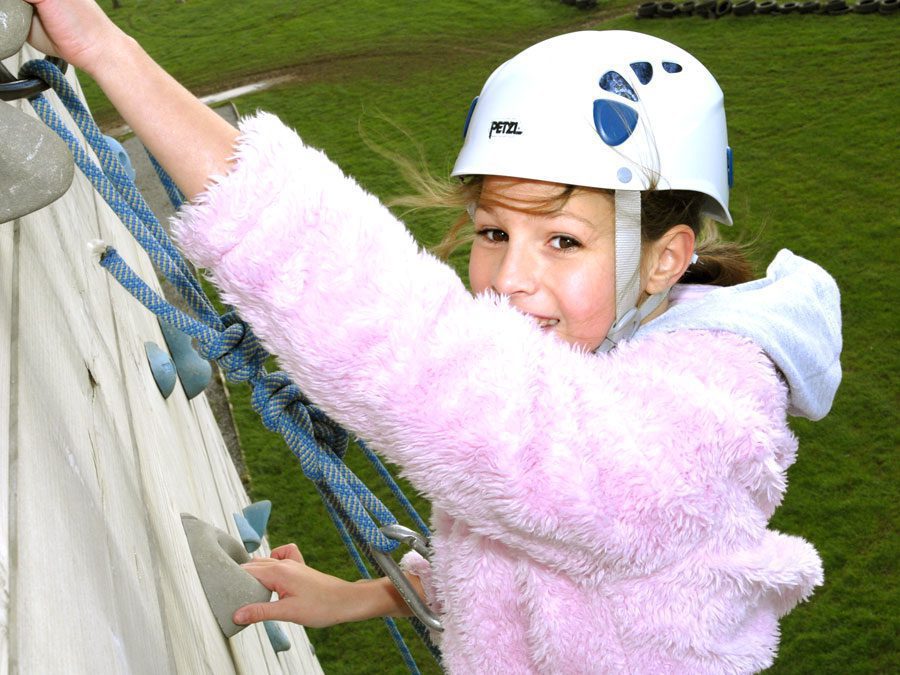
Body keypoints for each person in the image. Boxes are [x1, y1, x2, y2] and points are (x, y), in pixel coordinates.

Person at [26, 2, 842, 672]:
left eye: (563, 241)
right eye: (493, 232)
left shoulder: (693, 431)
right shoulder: (618, 369)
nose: (511, 278)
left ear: (666, 260)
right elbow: (559, 560)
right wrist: (373, 591)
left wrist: (110, 52)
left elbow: (431, 366)